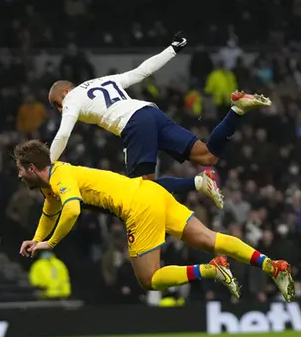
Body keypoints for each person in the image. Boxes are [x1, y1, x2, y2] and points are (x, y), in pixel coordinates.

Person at [14, 140, 294, 302]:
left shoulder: (60, 177)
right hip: (151, 191)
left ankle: (211, 271)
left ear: (32, 168)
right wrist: (37, 239)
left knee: (149, 279)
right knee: (210, 238)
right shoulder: (50, 184)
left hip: (138, 207)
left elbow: (72, 210)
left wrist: (51, 243)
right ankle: (272, 265)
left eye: (20, 170)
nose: (19, 176)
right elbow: (50, 211)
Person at [47, 32, 271, 209]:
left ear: (66, 91)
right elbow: (142, 71)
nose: (59, 109)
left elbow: (64, 133)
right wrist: (172, 49)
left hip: (134, 124)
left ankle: (198, 183)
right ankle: (237, 110)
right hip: (150, 113)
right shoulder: (100, 81)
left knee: (142, 189)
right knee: (207, 155)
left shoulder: (71, 99)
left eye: (56, 103)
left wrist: (49, 165)